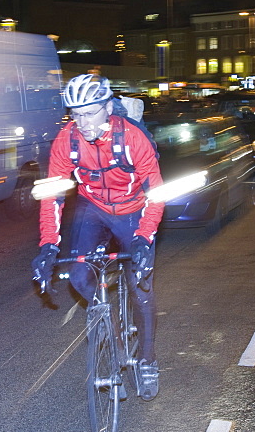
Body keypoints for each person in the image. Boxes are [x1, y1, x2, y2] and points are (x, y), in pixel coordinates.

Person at [31, 74, 165, 400]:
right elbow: (52, 196)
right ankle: (112, 334)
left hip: (134, 210)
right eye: (76, 114)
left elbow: (157, 194)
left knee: (140, 285)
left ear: (107, 108)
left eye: (90, 112)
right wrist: (48, 245)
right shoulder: (67, 140)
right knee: (78, 276)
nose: (83, 122)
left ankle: (147, 360)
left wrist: (145, 238)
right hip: (94, 209)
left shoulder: (132, 138)